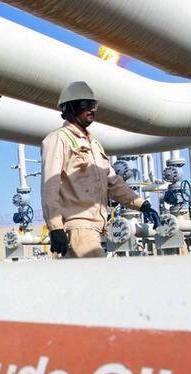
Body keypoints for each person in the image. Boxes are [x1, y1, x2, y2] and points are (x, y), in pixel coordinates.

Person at [41, 81, 160, 258]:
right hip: (79, 226)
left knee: (85, 282)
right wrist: (55, 226)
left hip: (95, 227)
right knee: (102, 279)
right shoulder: (58, 139)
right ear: (69, 109)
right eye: (85, 104)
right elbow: (49, 187)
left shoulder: (94, 144)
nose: (92, 109)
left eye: (93, 105)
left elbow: (113, 182)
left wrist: (142, 205)